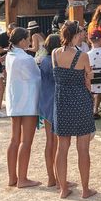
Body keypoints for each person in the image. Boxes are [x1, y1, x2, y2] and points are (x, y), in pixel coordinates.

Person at [51, 21, 97, 199]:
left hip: (61, 102)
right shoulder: (83, 56)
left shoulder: (55, 53)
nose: (83, 36)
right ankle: (85, 189)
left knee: (62, 148)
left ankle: (63, 188)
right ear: (75, 35)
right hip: (80, 102)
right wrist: (89, 76)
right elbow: (88, 81)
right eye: (81, 33)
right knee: (83, 148)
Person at [4, 27, 41, 188]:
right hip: (28, 102)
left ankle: (13, 177)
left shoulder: (10, 55)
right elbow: (38, 77)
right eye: (27, 39)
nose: (30, 41)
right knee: (26, 141)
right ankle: (23, 179)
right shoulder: (26, 59)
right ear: (22, 41)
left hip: (15, 101)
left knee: (14, 139)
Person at [38, 33, 61, 188]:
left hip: (45, 103)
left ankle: (52, 177)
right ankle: (58, 178)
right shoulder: (54, 61)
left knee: (50, 141)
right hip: (55, 103)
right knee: (58, 143)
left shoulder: (43, 61)